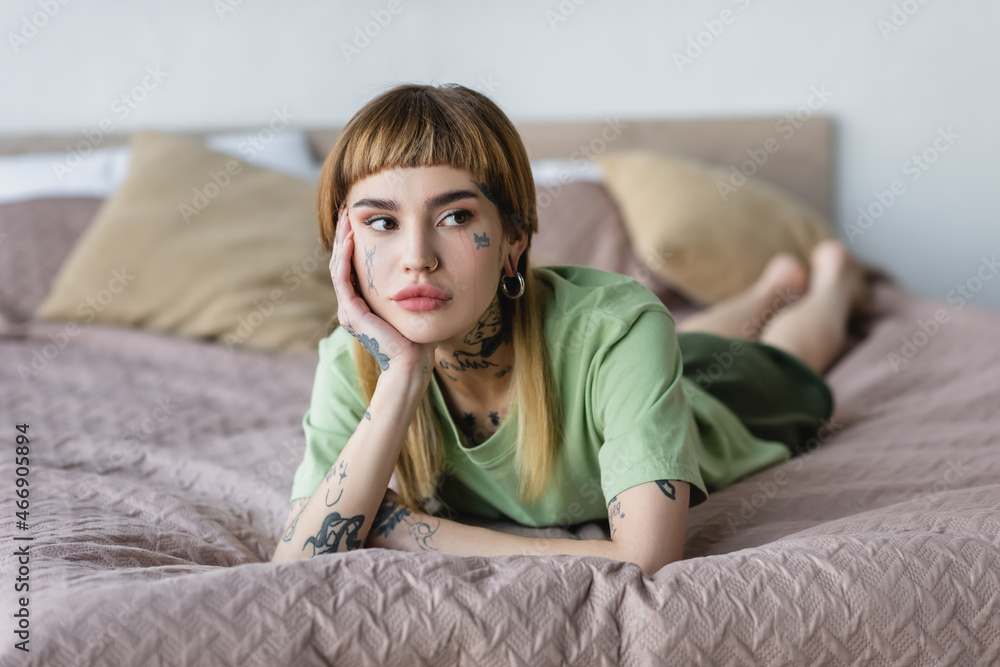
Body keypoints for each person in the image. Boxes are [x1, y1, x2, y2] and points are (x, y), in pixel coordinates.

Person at [270, 83, 868, 575]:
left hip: (726, 404)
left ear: (514, 238)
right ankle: (768, 288)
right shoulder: (351, 356)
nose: (417, 257)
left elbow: (646, 560)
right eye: (380, 222)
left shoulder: (622, 328)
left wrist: (408, 529)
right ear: (343, 245)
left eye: (455, 216)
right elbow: (292, 564)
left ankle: (831, 285)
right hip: (624, 364)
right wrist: (402, 375)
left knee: (783, 351)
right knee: (677, 339)